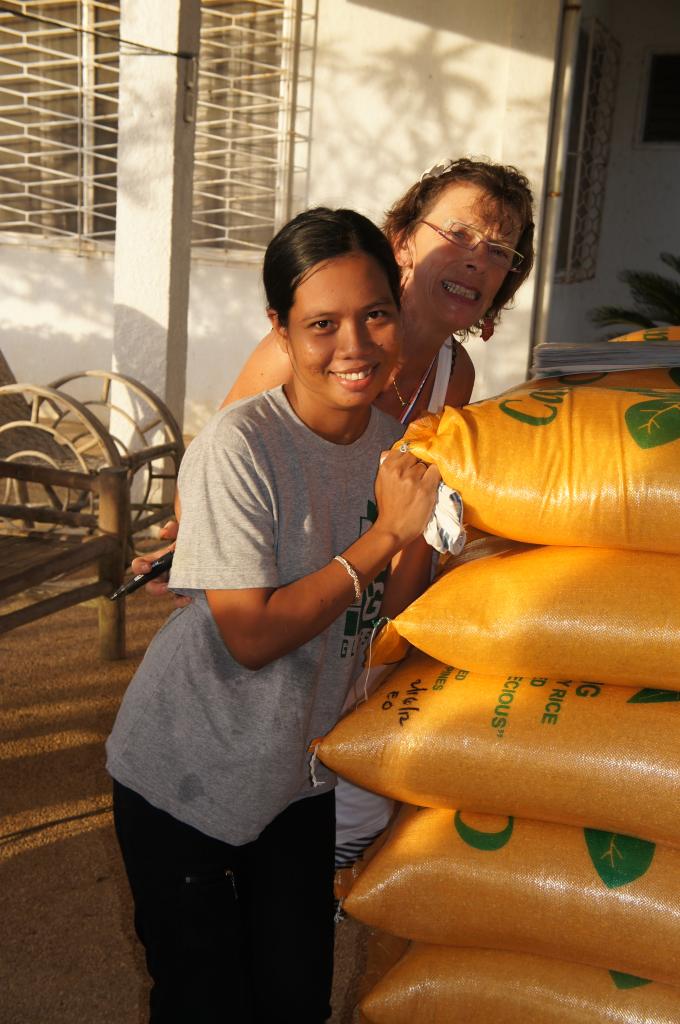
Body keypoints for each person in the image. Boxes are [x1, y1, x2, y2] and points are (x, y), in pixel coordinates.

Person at [131, 156, 536, 867]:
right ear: (403, 239)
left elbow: (414, 522)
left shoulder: (455, 376)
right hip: (269, 619)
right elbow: (215, 481)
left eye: (498, 251)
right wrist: (203, 555)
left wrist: (382, 659)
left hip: (343, 633)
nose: (477, 260)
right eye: (461, 233)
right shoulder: (300, 346)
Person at [107, 207, 441, 1024]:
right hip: (187, 773)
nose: (354, 346)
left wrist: (433, 543)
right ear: (281, 332)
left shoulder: (401, 451)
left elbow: (390, 624)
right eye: (322, 324)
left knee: (294, 999)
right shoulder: (240, 446)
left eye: (375, 315)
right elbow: (250, 635)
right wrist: (384, 538)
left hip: (298, 776)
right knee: (204, 1000)